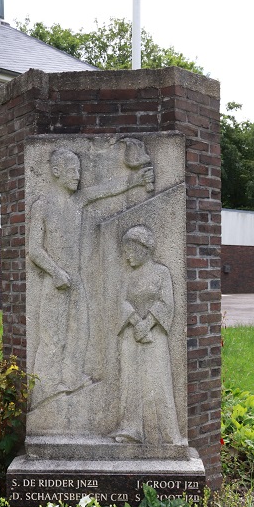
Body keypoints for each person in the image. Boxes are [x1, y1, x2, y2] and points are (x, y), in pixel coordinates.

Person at [28, 148, 154, 407]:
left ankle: (72, 378)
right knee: (52, 335)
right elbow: (34, 250)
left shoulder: (77, 201)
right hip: (55, 283)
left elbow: (103, 191)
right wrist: (55, 272)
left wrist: (136, 181)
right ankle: (46, 387)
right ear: (56, 172)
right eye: (73, 171)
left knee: (80, 332)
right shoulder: (43, 205)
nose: (78, 176)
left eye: (79, 170)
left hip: (75, 280)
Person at [112, 225, 183, 445]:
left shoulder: (162, 273)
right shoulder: (127, 276)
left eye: (131, 251)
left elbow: (166, 303)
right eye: (125, 252)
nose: (127, 257)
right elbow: (120, 302)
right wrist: (135, 323)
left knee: (157, 380)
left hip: (155, 338)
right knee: (130, 381)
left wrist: (148, 324)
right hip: (130, 337)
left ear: (144, 249)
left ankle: (164, 433)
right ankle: (131, 429)